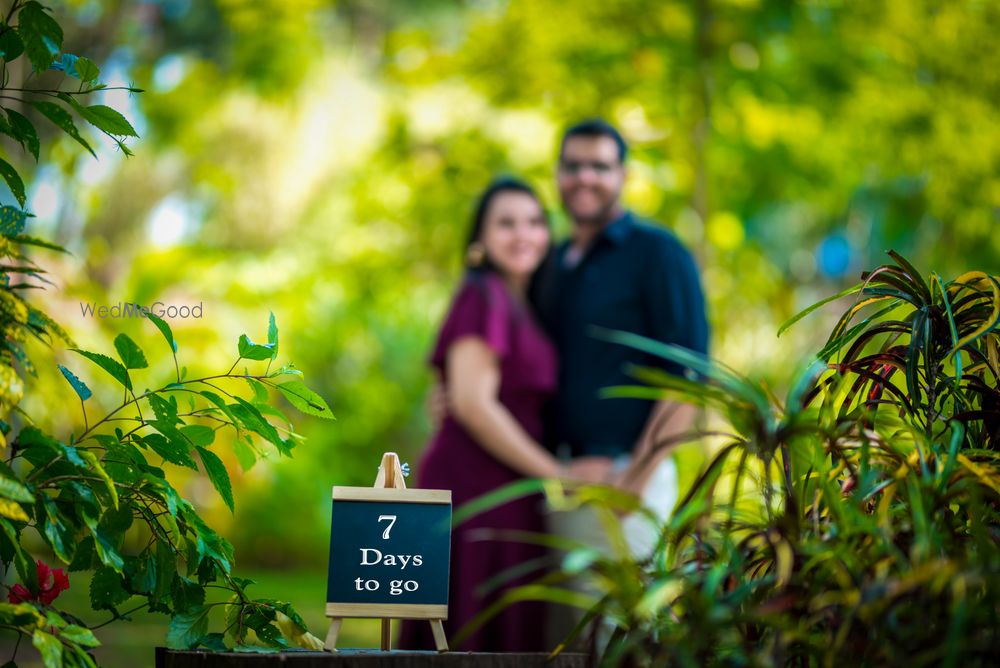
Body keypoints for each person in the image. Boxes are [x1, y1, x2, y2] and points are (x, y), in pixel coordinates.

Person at [398, 177, 609, 652]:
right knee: (472, 637)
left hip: (508, 490)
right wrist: (560, 473)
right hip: (476, 491)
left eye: (535, 222)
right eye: (506, 223)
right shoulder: (483, 295)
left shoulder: (521, 303)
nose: (523, 234)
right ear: (480, 239)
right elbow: (473, 404)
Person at [535, 119, 710, 644]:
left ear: (623, 176)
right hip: (554, 480)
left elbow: (687, 379)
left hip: (624, 480)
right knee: (561, 645)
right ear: (558, 173)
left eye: (600, 167)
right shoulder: (553, 263)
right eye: (573, 165)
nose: (584, 177)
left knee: (620, 643)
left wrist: (632, 481)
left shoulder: (657, 253)